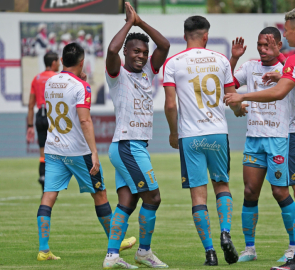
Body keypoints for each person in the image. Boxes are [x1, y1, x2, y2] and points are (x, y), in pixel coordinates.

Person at [225, 6, 295, 270]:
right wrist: (281, 75)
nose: (284, 35)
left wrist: (242, 97)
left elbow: (278, 93)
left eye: (286, 30)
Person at [35, 43, 135, 261]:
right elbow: (84, 119)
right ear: (82, 62)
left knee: (49, 195)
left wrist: (82, 81)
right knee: (99, 194)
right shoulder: (82, 87)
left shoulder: (51, 82)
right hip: (77, 150)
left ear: (62, 61)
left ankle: (44, 250)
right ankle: (116, 241)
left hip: (53, 148)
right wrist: (94, 152)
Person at [163, 16, 247, 266]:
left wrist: (172, 132)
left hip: (190, 137)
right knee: (222, 186)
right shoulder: (221, 60)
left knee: (198, 197)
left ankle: (210, 252)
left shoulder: (173, 63)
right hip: (217, 134)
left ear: (184, 34)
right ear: (206, 36)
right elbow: (232, 96)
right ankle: (225, 233)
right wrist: (239, 110)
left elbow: (169, 104)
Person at [103, 3, 170, 269]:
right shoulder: (117, 74)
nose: (141, 56)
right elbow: (110, 50)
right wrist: (129, 24)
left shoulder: (148, 73)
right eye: (135, 52)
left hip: (133, 146)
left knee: (127, 203)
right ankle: (143, 251)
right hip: (127, 146)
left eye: (144, 52)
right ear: (125, 53)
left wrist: (141, 23)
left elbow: (163, 46)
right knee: (153, 198)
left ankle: (111, 255)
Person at [229, 29, 295, 263]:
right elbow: (229, 84)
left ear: (279, 44)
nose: (262, 49)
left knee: (280, 192)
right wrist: (235, 58)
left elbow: (277, 94)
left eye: (268, 45)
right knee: (249, 192)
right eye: (260, 45)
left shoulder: (289, 68)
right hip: (254, 138)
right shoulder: (250, 67)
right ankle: (249, 249)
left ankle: (294, 247)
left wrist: (244, 98)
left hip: (278, 138)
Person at [27, 52, 59, 192]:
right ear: (53, 63)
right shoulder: (57, 78)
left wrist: (29, 125)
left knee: (43, 153)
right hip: (53, 115)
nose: (59, 64)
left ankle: (43, 178)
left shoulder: (37, 78)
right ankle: (54, 183)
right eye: (57, 62)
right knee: (56, 150)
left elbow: (30, 104)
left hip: (40, 115)